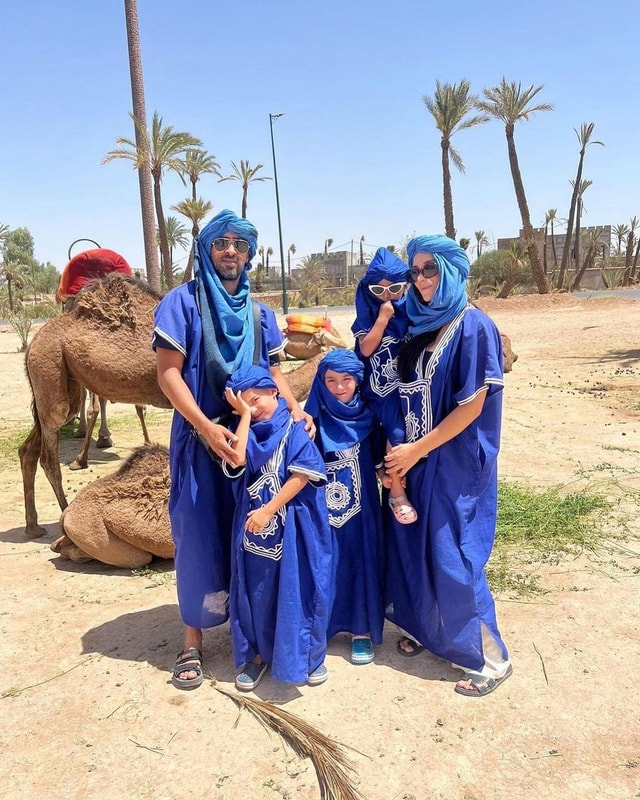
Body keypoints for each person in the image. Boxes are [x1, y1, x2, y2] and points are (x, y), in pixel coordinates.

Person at [152, 209, 312, 690]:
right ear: (206, 250)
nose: (230, 252)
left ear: (249, 254)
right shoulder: (180, 304)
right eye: (221, 243)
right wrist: (204, 427)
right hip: (202, 439)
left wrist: (293, 410)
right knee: (198, 534)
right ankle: (192, 643)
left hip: (257, 445)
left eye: (239, 245)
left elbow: (274, 371)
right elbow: (168, 374)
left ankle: (256, 635)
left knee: (254, 536)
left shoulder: (261, 315)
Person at [384, 234, 512, 697]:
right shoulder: (420, 325)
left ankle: (491, 660)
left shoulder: (473, 325)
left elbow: (472, 406)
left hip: (456, 461)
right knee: (416, 548)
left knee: (456, 555)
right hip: (416, 461)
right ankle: (431, 633)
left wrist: (418, 450)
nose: (420, 280)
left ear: (453, 271)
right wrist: (401, 455)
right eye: (414, 272)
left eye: (429, 270)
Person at [222, 365, 333, 690]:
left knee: (301, 588)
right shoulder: (243, 431)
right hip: (257, 537)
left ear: (274, 391)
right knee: (258, 590)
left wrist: (269, 510)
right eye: (244, 405)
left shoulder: (295, 429)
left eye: (256, 400)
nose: (253, 409)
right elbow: (237, 458)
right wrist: (243, 416)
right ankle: (257, 655)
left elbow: (301, 475)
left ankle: (308, 657)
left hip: (295, 528)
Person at [305, 349, 385, 665]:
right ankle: (321, 628)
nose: (339, 387)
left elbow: (380, 464)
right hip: (322, 512)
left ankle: (361, 630)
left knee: (360, 562)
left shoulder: (370, 419)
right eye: (331, 380)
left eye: (347, 380)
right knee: (324, 563)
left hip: (362, 513)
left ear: (358, 381)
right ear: (321, 382)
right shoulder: (311, 421)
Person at [351, 248, 417, 524]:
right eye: (379, 289)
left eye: (395, 288)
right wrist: (382, 319)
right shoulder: (369, 317)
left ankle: (393, 486)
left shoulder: (412, 314)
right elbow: (365, 349)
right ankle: (395, 492)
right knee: (383, 433)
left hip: (402, 388)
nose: (387, 296)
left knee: (398, 432)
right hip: (374, 389)